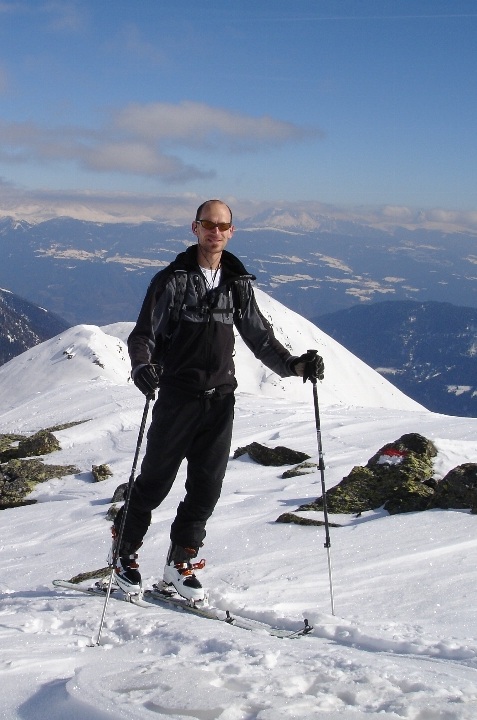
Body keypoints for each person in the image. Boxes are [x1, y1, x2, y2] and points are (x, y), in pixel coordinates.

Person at [112, 199, 324, 602]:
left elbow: (260, 338)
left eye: (222, 226)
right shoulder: (171, 281)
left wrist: (297, 366)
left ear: (231, 232)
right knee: (155, 482)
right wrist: (142, 368)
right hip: (177, 395)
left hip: (220, 400)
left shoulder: (237, 284)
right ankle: (123, 554)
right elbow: (143, 335)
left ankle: (179, 564)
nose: (215, 232)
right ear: (195, 228)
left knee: (206, 488)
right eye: (208, 224)